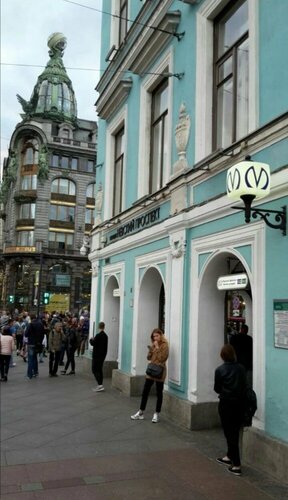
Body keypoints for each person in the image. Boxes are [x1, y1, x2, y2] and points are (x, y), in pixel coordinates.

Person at [214, 344, 247, 476]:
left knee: (230, 433)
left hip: (226, 404)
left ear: (222, 356)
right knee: (234, 431)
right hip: (240, 404)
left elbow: (217, 388)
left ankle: (237, 465)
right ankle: (229, 456)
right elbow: (245, 385)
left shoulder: (220, 370)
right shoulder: (241, 368)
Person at [131, 328, 169, 423]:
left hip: (160, 371)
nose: (155, 338)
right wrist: (151, 350)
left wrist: (157, 348)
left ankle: (156, 414)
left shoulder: (165, 346)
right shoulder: (153, 344)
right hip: (151, 370)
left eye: (157, 336)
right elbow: (148, 357)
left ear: (161, 335)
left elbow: (162, 358)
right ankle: (140, 412)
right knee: (145, 391)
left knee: (159, 393)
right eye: (154, 336)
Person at [24, 314, 45, 379]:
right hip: (38, 344)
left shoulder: (30, 324)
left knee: (30, 359)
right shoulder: (41, 324)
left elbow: (26, 334)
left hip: (31, 343)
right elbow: (43, 334)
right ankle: (35, 372)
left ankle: (29, 374)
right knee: (35, 358)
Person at [90, 321, 108, 392]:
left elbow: (93, 343)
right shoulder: (106, 336)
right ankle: (100, 385)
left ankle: (100, 385)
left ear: (98, 327)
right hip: (102, 356)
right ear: (104, 327)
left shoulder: (98, 336)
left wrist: (91, 339)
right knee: (100, 370)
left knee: (94, 370)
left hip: (96, 356)